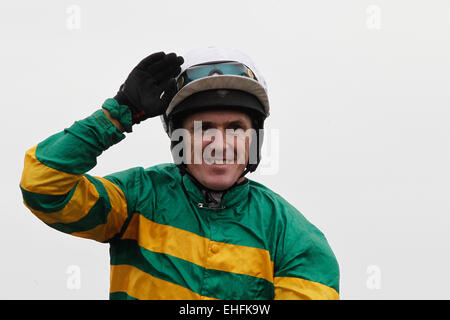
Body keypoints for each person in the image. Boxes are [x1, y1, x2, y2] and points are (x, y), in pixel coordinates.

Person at [19, 47, 340, 300]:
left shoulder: (295, 237)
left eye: (236, 129)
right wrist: (119, 113)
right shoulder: (138, 196)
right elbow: (42, 185)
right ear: (179, 140)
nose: (220, 143)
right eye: (203, 129)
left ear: (255, 140)